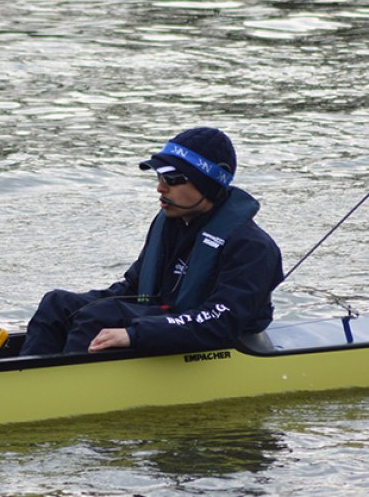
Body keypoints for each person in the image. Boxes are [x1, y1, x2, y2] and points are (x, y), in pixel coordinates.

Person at [20, 127, 284, 356]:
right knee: (56, 304)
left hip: (215, 337)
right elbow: (134, 287)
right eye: (158, 177)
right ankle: (25, 377)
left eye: (172, 179)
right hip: (165, 317)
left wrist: (133, 334)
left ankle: (65, 388)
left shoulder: (253, 247)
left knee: (96, 319)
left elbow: (221, 321)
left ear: (211, 182)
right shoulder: (171, 225)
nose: (160, 188)